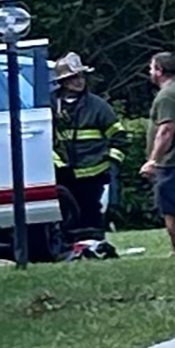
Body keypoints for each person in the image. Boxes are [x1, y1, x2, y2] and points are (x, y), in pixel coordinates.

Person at [49, 52, 121, 238]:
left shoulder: (98, 106)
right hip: (64, 173)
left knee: (92, 215)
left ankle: (94, 245)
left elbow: (119, 136)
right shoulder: (50, 106)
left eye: (80, 77)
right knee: (68, 215)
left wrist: (111, 162)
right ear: (62, 81)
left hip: (94, 173)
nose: (78, 81)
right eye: (73, 78)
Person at [140, 52, 175, 255]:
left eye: (151, 68)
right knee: (169, 206)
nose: (149, 72)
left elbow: (166, 130)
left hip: (171, 160)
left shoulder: (167, 96)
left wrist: (153, 160)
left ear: (159, 71)